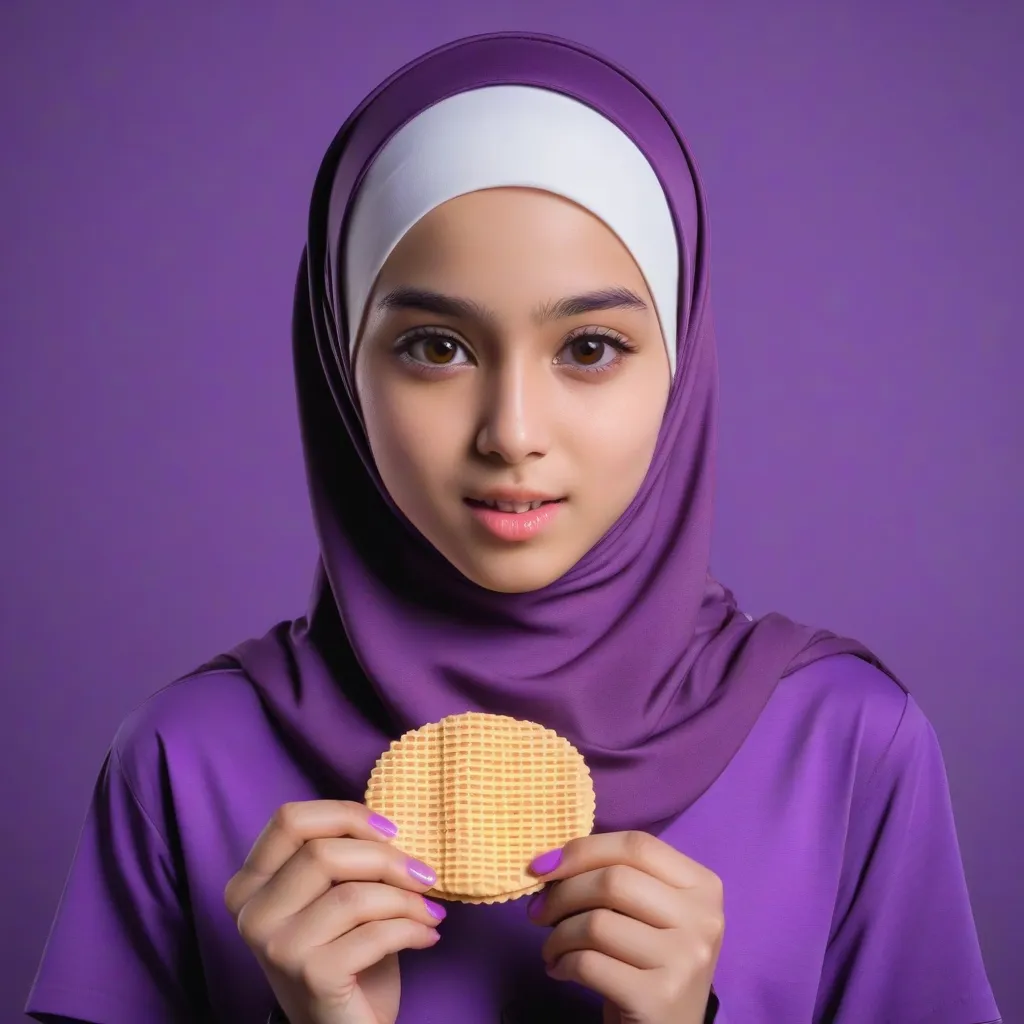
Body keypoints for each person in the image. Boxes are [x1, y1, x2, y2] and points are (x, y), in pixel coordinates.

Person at [26, 31, 1001, 1024]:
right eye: (435, 346)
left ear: (680, 365)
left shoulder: (843, 747)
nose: (512, 433)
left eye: (589, 346)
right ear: (338, 361)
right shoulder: (184, 760)